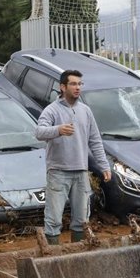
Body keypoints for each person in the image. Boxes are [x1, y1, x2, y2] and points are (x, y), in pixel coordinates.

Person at [35, 69, 112, 244]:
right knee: (54, 219)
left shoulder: (85, 111)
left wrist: (104, 166)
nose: (77, 87)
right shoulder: (52, 110)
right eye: (73, 84)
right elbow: (39, 132)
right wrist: (58, 130)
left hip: (81, 172)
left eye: (79, 84)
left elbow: (95, 141)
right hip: (58, 172)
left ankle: (78, 256)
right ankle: (51, 257)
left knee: (81, 220)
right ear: (62, 87)